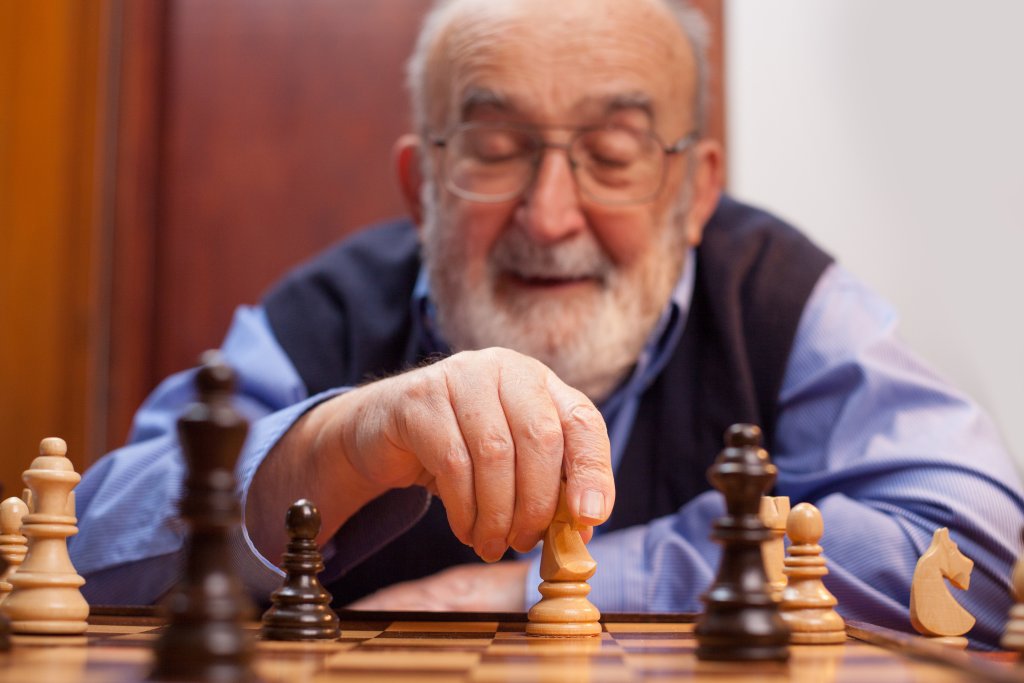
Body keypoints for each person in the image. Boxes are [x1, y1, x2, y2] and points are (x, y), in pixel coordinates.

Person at [70, 0, 1023, 646]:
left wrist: (538, 587)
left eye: (612, 153)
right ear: (420, 186)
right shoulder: (324, 310)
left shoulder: (777, 297)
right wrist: (338, 444)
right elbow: (86, 555)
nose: (550, 214)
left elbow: (972, 539)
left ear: (695, 191)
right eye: (494, 149)